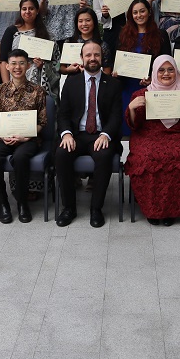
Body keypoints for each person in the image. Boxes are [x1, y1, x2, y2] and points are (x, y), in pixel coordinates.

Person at [124, 55, 180, 225]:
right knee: (146, 157)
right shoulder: (142, 94)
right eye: (161, 70)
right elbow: (135, 124)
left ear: (177, 71)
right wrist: (132, 108)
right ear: (155, 72)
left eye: (171, 69)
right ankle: (151, 209)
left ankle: (174, 210)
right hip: (148, 134)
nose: (166, 74)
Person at [55, 40, 123, 228]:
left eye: (96, 55)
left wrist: (106, 135)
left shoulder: (114, 84)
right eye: (88, 55)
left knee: (104, 155)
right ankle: (69, 208)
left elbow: (117, 116)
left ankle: (96, 209)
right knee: (61, 154)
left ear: (102, 57)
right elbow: (64, 114)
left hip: (101, 135)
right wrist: (66, 134)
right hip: (77, 134)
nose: (92, 58)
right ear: (81, 58)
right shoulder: (71, 82)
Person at [0, 49, 48, 224]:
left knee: (20, 158)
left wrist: (26, 136)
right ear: (7, 66)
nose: (17, 67)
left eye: (21, 63)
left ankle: (22, 202)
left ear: (28, 66)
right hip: (4, 137)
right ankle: (3, 203)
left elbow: (42, 122)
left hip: (29, 139)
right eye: (13, 63)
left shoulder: (38, 91)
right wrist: (2, 133)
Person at [114, 0, 171, 137]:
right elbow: (119, 61)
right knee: (129, 126)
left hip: (151, 88)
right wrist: (117, 72)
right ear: (130, 15)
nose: (139, 15)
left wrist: (153, 79)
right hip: (127, 87)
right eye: (135, 12)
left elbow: (167, 62)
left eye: (142, 11)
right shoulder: (123, 35)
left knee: (149, 129)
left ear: (149, 12)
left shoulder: (161, 34)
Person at [0, 0, 56, 93]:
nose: (27, 12)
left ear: (37, 11)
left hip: (39, 87)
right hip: (15, 84)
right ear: (20, 11)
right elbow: (3, 61)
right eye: (24, 9)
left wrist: (42, 66)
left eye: (31, 8)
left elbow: (55, 64)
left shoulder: (47, 35)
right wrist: (7, 86)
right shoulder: (11, 31)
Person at [60, 7, 112, 78]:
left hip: (95, 84)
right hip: (73, 83)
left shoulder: (102, 45)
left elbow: (107, 72)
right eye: (80, 21)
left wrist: (91, 72)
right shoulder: (69, 42)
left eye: (88, 20)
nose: (84, 24)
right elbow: (61, 68)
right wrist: (67, 70)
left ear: (94, 22)